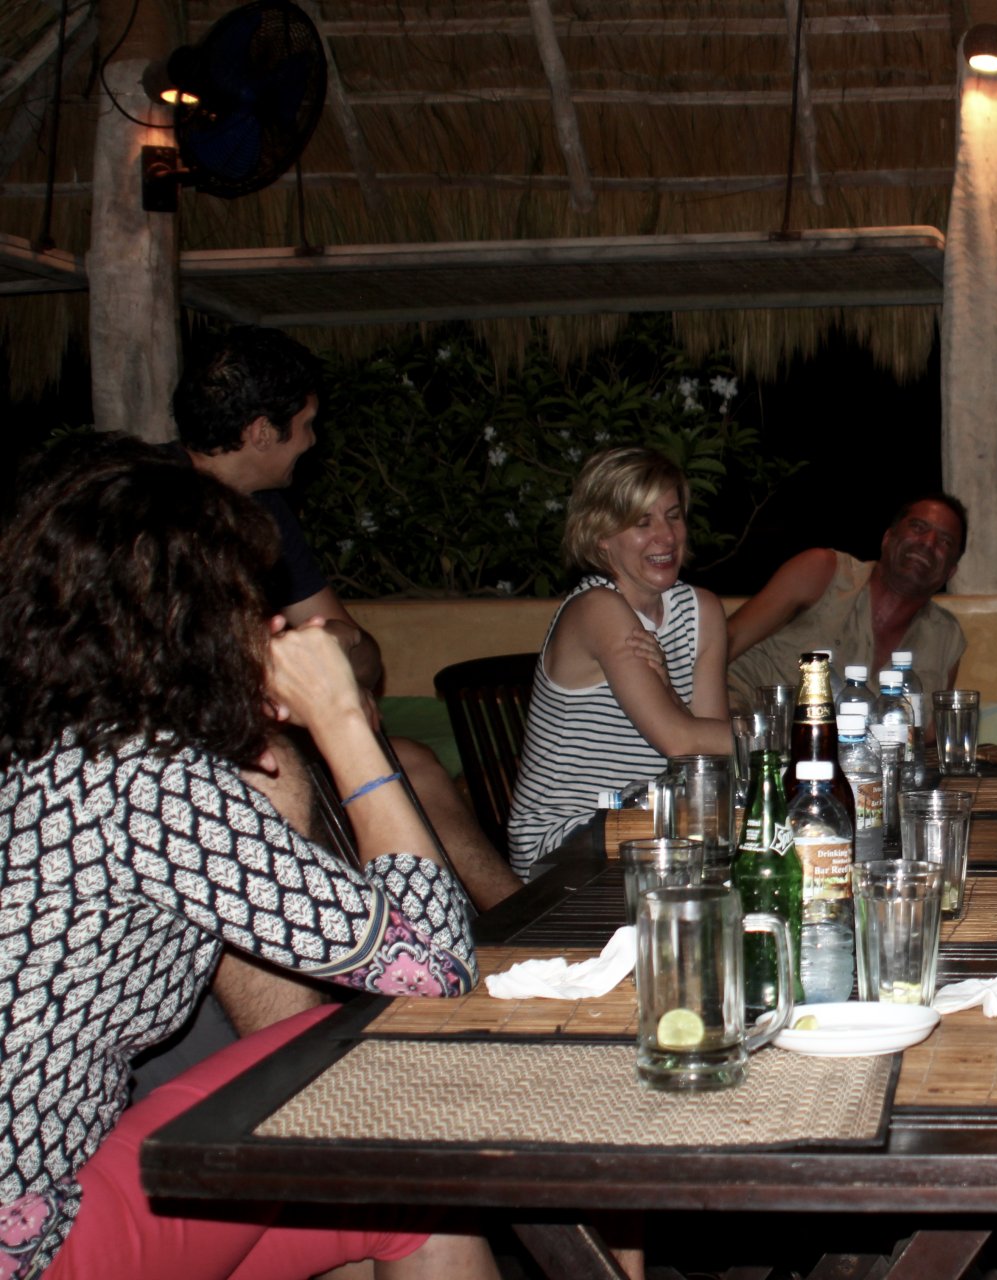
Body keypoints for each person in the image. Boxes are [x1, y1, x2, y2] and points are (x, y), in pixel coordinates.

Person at [0, 436, 495, 1279]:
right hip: (37, 1234)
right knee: (388, 1068)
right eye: (244, 595)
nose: (266, 620)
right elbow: (435, 966)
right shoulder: (146, 779)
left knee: (408, 1202)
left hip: (48, 1195)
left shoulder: (51, 748)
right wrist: (341, 718)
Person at [174, 326, 521, 914]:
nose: (313, 441)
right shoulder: (150, 508)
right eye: (307, 424)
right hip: (179, 756)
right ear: (262, 432)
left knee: (412, 761)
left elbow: (364, 657)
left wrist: (339, 648)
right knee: (288, 778)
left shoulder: (267, 511)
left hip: (250, 734)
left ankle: (522, 924)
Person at [508, 446, 732, 876]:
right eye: (642, 522)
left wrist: (669, 691)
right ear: (601, 536)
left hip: (650, 821)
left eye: (673, 516)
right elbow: (681, 741)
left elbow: (709, 761)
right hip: (564, 838)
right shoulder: (598, 609)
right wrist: (790, 737)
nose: (666, 537)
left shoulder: (701, 611)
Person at [725, 493, 969, 707]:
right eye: (918, 527)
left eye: (945, 541)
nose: (928, 543)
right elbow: (727, 641)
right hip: (738, 723)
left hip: (842, 746)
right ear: (888, 538)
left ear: (950, 572)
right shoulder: (822, 571)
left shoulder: (946, 637)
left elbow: (930, 733)